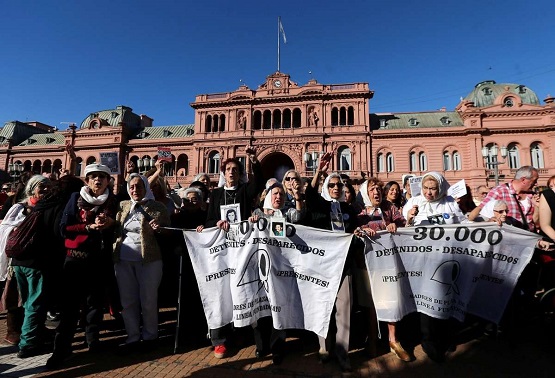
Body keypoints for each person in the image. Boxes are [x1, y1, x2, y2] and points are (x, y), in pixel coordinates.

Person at [47, 164, 118, 370]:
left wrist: (110, 223)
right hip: (76, 260)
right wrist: (87, 227)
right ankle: (61, 350)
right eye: (93, 177)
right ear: (87, 180)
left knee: (95, 305)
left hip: (99, 260)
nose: (98, 180)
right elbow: (64, 228)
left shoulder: (113, 202)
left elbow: (119, 226)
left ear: (108, 180)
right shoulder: (75, 200)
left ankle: (92, 342)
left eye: (102, 177)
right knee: (70, 307)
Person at [198, 145, 265, 359]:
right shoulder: (216, 194)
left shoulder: (245, 192)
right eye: (228, 170)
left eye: (236, 170)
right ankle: (219, 340)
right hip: (221, 251)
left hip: (242, 250)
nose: (232, 173)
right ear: (223, 173)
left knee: (241, 290)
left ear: (240, 174)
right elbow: (208, 220)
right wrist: (215, 223)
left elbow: (260, 183)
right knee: (220, 292)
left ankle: (241, 333)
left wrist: (254, 159)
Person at [402, 172, 466, 362]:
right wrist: (410, 218)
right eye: (426, 189)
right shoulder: (414, 202)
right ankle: (428, 341)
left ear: (440, 188)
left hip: (447, 260)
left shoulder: (449, 203)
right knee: (426, 301)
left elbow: (465, 225)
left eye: (433, 189)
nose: (429, 193)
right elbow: (404, 229)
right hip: (422, 261)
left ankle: (445, 338)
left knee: (445, 298)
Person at [304, 152, 357, 372]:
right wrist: (319, 171)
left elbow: (353, 231)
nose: (337, 188)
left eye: (340, 185)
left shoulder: (348, 209)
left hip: (344, 266)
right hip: (323, 267)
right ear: (327, 187)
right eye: (332, 185)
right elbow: (309, 194)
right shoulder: (321, 208)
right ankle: (324, 347)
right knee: (323, 306)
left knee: (345, 307)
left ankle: (342, 351)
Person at [113, 174, 170, 353]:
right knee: (128, 300)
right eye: (132, 187)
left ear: (146, 187)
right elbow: (116, 228)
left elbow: (167, 230)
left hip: (150, 259)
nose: (135, 190)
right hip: (123, 259)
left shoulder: (157, 206)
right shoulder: (123, 206)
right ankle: (132, 337)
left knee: (148, 299)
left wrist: (158, 229)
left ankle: (150, 335)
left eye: (139, 186)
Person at [249, 181, 303, 364]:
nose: (278, 196)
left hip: (281, 270)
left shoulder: (287, 213)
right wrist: (251, 223)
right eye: (275, 194)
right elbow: (248, 231)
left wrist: (297, 197)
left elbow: (299, 217)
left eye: (281, 194)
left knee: (278, 308)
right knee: (261, 307)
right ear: (268, 197)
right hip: (261, 268)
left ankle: (277, 347)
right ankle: (261, 346)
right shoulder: (258, 213)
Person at [356, 177, 409, 362]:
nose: (376, 192)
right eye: (372, 189)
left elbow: (404, 225)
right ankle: (372, 340)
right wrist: (361, 229)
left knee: (390, 300)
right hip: (367, 265)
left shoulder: (390, 208)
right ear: (366, 193)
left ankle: (394, 341)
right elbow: (351, 230)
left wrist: (397, 225)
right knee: (371, 304)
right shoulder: (359, 211)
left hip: (389, 264)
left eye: (378, 188)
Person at [10, 175, 52, 358]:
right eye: (42, 187)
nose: (46, 190)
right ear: (32, 188)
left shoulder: (18, 207)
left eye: (48, 187)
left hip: (18, 261)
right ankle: (28, 344)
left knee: (28, 302)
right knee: (34, 303)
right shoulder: (42, 209)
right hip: (34, 263)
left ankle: (34, 334)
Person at [468, 166, 539, 232]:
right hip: (509, 239)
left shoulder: (533, 195)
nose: (536, 184)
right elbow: (479, 211)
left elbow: (536, 222)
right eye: (534, 181)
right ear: (523, 180)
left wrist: (537, 206)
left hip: (531, 239)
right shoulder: (499, 191)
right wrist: (487, 222)